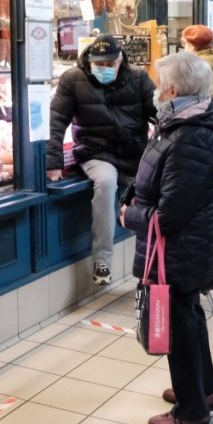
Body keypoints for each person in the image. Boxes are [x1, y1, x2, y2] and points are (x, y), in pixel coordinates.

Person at [119, 51, 213, 424]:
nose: (155, 89)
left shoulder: (189, 136)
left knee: (179, 326)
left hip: (181, 250)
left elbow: (171, 215)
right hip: (185, 249)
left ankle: (191, 410)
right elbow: (154, 178)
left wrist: (128, 215)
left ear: (174, 90)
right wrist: (133, 195)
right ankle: (202, 391)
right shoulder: (178, 125)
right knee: (189, 317)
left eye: (159, 84)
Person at [48, 34, 157, 285]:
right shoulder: (73, 79)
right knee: (106, 183)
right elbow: (56, 121)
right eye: (99, 64)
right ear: (90, 61)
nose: (104, 69)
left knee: (151, 195)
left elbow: (157, 113)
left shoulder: (138, 78)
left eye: (110, 64)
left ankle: (153, 264)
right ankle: (102, 261)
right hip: (95, 151)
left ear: (121, 60)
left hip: (134, 152)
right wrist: (53, 162)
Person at [181, 24, 213, 165]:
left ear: (193, 46)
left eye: (184, 44)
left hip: (203, 138)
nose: (183, 48)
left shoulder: (197, 66)